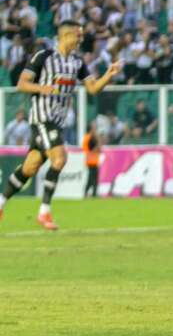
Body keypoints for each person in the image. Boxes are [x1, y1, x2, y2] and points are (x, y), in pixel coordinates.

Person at [0, 19, 122, 229]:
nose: (81, 39)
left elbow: (92, 89)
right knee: (59, 158)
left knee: (30, 167)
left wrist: (108, 76)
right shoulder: (44, 57)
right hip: (42, 119)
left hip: (57, 122)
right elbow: (22, 83)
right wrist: (42, 88)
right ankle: (44, 212)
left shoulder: (77, 62)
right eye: (78, 35)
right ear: (66, 36)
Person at [82, 122, 101, 197]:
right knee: (92, 178)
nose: (95, 129)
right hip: (91, 160)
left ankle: (93, 193)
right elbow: (89, 149)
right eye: (94, 127)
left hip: (94, 160)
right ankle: (89, 193)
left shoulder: (90, 137)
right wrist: (98, 144)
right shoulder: (88, 137)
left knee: (93, 178)